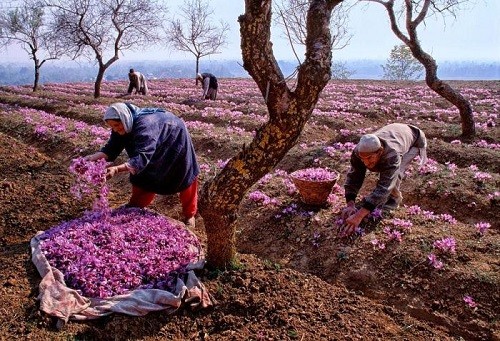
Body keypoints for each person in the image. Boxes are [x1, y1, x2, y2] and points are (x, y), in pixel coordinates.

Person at [86, 102, 199, 227]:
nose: (116, 129)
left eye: (117, 125)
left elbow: (142, 157)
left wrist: (117, 169)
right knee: (144, 174)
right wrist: (91, 158)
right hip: (152, 142)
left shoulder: (145, 126)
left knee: (183, 175)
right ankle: (136, 204)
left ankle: (190, 215)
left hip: (174, 138)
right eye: (112, 127)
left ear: (124, 118)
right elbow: (111, 148)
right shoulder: (124, 124)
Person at [339, 123, 427, 236]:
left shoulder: (392, 154)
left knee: (396, 172)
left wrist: (359, 215)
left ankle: (393, 201)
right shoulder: (358, 152)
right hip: (395, 133)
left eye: (370, 158)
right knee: (372, 168)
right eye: (363, 159)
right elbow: (355, 175)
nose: (366, 163)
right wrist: (350, 203)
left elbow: (386, 185)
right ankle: (378, 201)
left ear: (380, 151)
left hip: (415, 139)